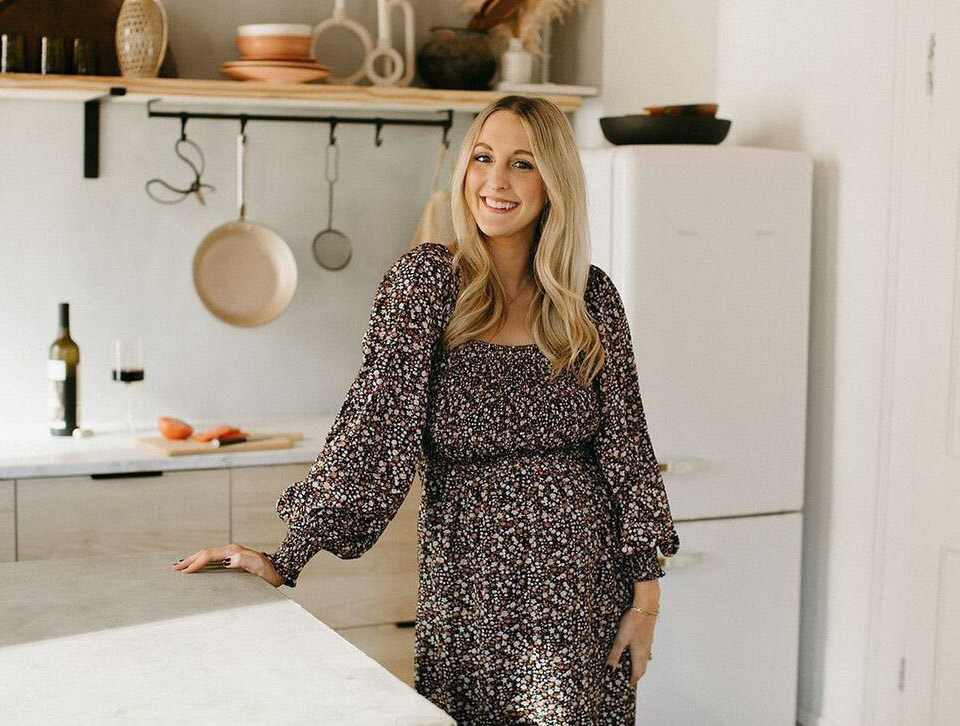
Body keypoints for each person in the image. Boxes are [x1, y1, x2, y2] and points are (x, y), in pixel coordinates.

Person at [174, 94, 680, 725]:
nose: (495, 181)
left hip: (584, 594)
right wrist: (287, 554)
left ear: (554, 183)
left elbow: (626, 448)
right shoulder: (427, 281)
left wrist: (646, 600)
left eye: (522, 164)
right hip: (469, 595)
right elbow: (375, 430)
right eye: (484, 158)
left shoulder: (589, 295)